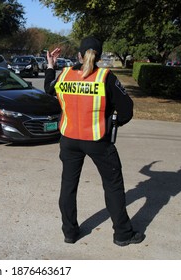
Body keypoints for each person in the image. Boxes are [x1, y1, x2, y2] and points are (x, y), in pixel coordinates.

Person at [45, 36, 145, 246]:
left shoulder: (64, 75)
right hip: (97, 140)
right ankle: (122, 234)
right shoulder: (105, 77)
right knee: (113, 186)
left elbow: (48, 89)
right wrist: (112, 123)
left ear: (79, 55)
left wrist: (50, 65)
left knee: (68, 186)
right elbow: (126, 110)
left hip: (69, 139)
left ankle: (70, 233)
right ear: (98, 56)